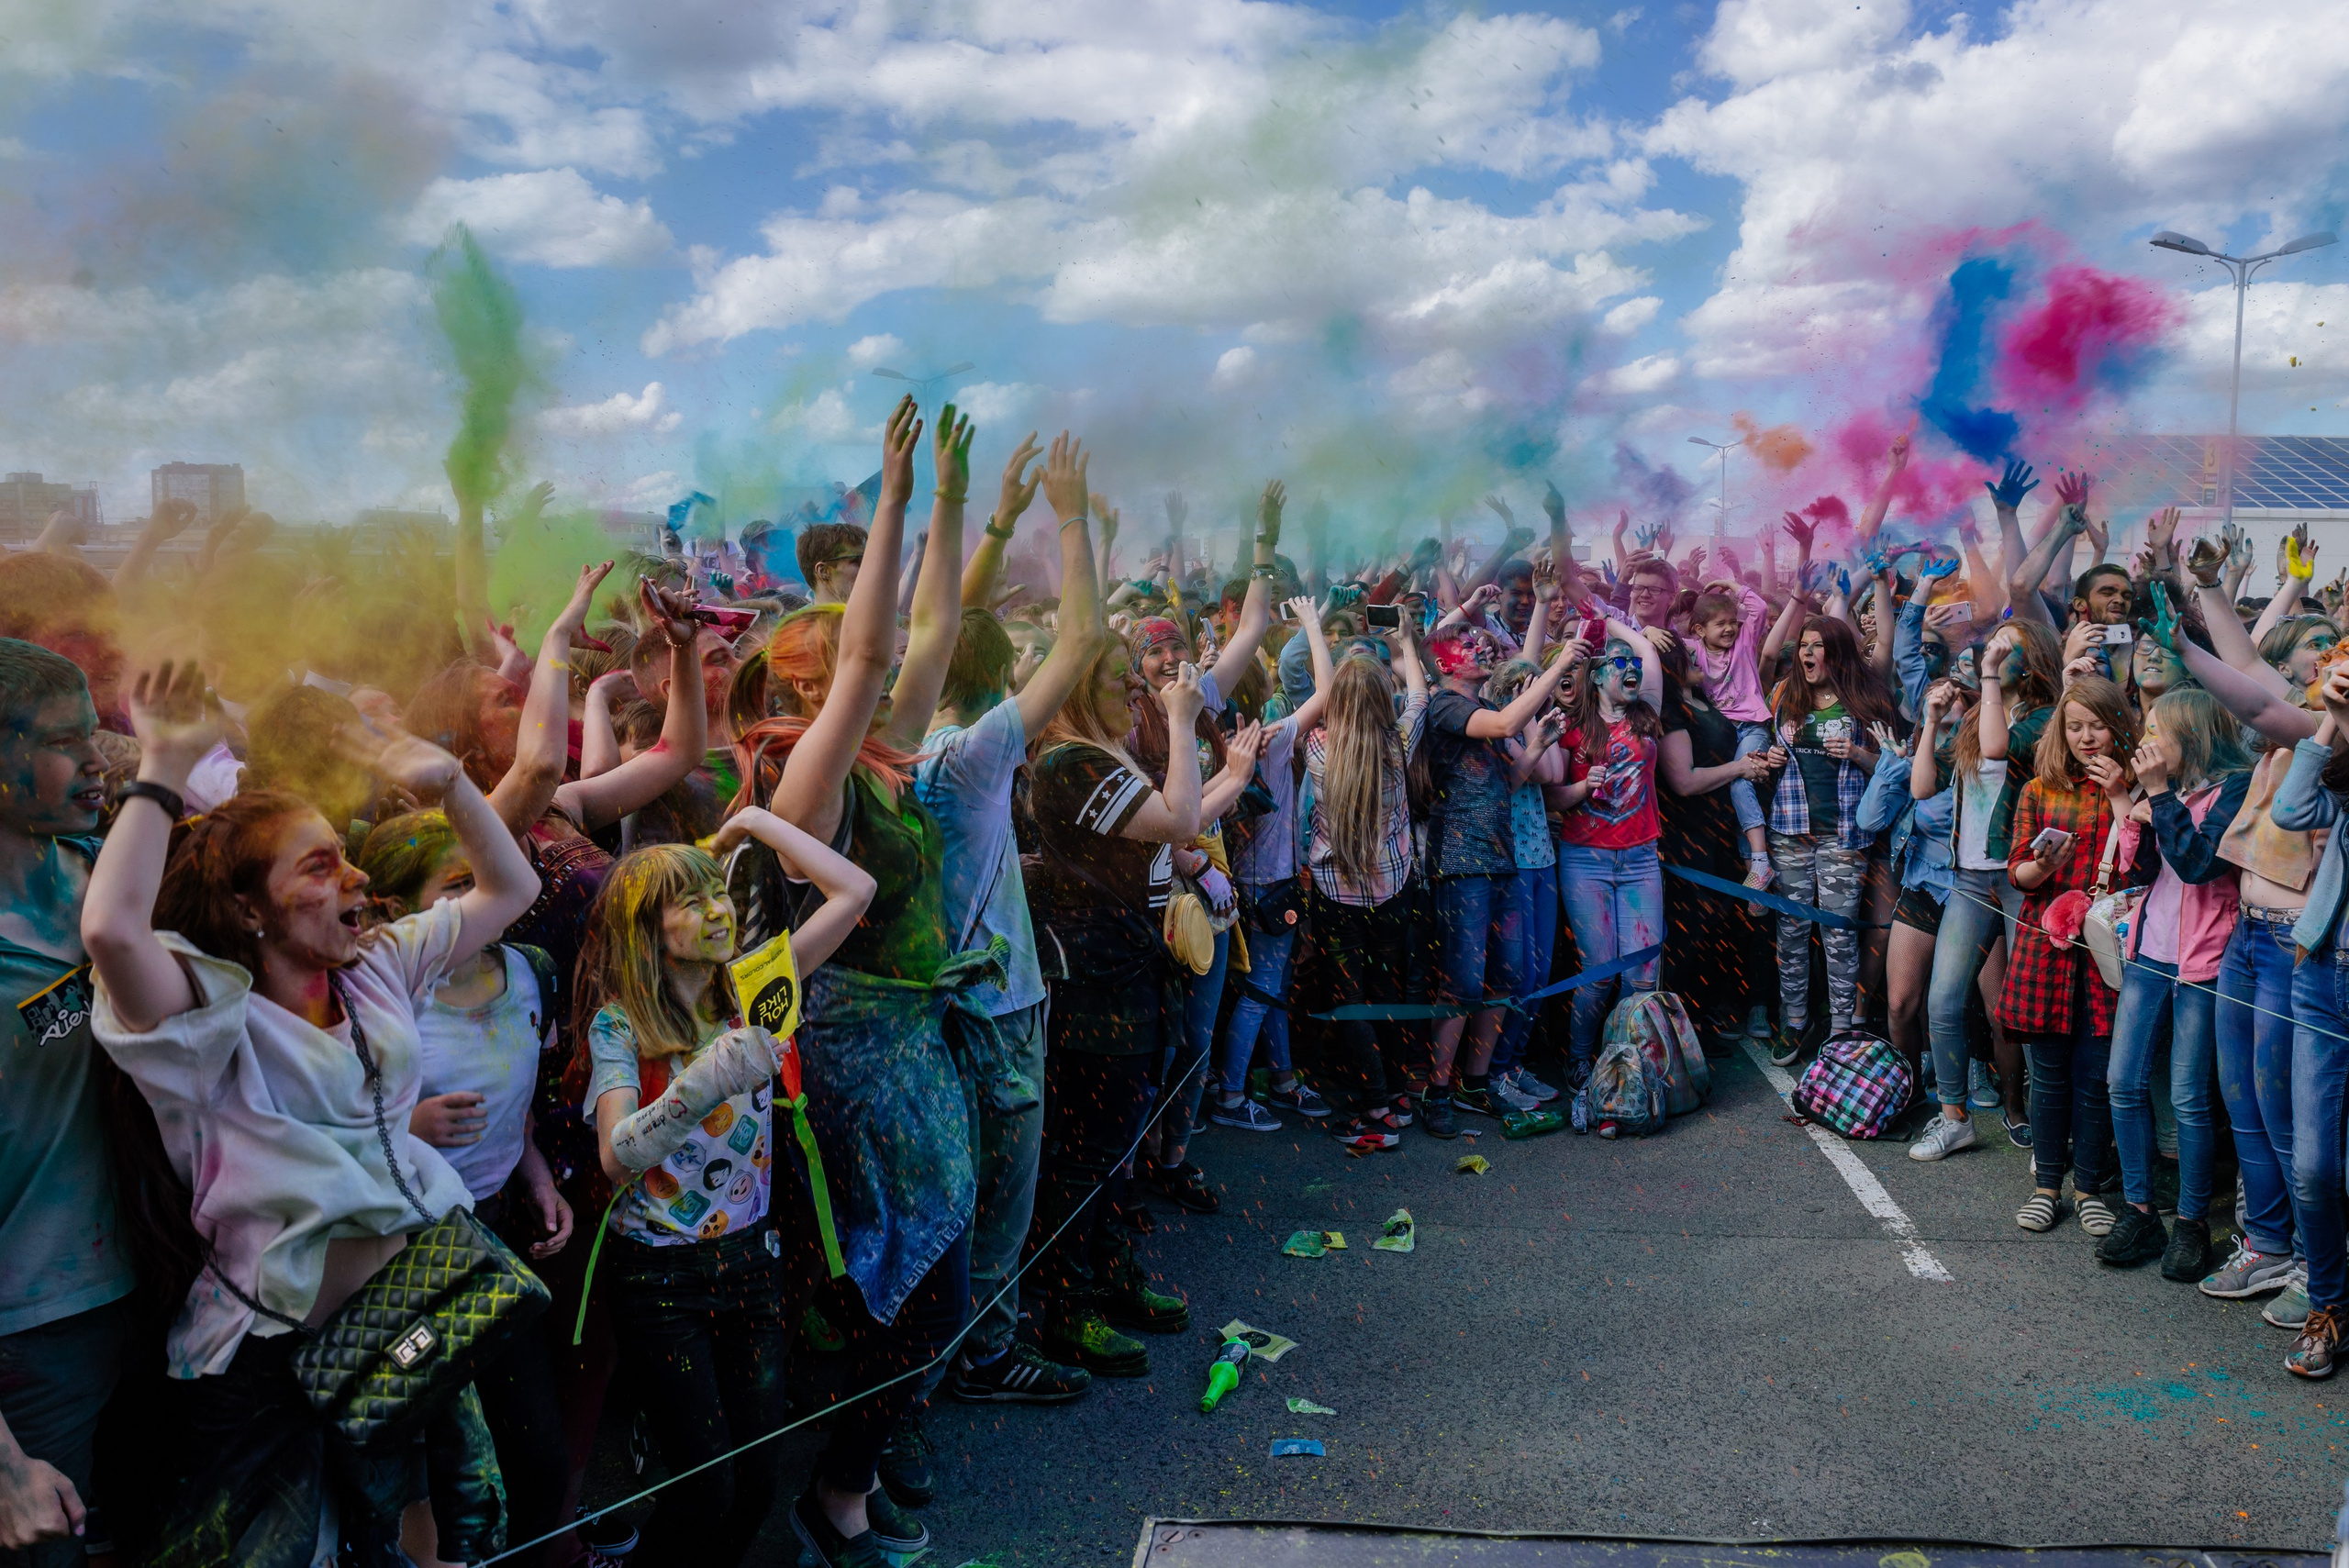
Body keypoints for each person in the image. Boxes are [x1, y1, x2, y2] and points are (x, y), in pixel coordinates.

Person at [83, 660, 540, 1567]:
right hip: (269, 1353)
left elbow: (509, 889)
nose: (357, 877)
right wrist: (162, 766)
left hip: (408, 1316)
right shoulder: (204, 1017)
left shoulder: (376, 966)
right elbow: (112, 932)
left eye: (346, 853)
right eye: (319, 865)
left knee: (439, 1536)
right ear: (247, 906)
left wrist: (449, 783)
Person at [580, 814, 876, 1567]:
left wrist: (754, 821)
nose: (718, 910)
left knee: (757, 1481)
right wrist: (707, 1076)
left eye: (720, 893)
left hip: (751, 1265)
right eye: (692, 900)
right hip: (660, 1280)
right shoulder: (620, 1025)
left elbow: (855, 889)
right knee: (704, 1486)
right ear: (647, 927)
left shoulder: (753, 986)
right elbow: (616, 1157)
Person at [909, 431, 1105, 1410]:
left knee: (945, 1193)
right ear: (996, 675)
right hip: (993, 1006)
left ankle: (926, 1368)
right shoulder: (978, 751)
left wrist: (990, 516)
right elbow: (1081, 640)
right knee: (998, 1201)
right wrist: (1067, 514)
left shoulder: (893, 741)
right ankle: (972, 1362)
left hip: (928, 998)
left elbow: (928, 621)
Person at [354, 811, 578, 1566]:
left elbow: (516, 1107)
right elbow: (318, 1136)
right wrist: (406, 1125)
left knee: (538, 1454)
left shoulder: (530, 973)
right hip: (403, 1253)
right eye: (461, 886)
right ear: (393, 915)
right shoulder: (375, 1000)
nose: (490, 899)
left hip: (496, 1234)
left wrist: (537, 1173)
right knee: (430, 1472)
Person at [1025, 653, 1229, 1373]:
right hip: (1092, 978)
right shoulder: (1068, 762)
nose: (1139, 689)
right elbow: (1182, 819)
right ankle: (1068, 1305)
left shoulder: (1101, 748)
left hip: (1128, 967)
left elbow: (1176, 831)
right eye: (1122, 678)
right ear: (1080, 682)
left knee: (1114, 1141)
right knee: (1086, 1148)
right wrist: (1180, 717)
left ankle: (1109, 1270)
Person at [0, 641, 133, 1568]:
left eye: (95, 731)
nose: (96, 760)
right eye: (60, 741)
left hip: (150, 1294)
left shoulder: (98, 871)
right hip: (30, 1345)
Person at [2097, 687, 2252, 1279]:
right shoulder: (2168, 791)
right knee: (2123, 1082)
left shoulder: (2233, 788)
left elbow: (2196, 864)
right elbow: (2140, 872)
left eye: (2158, 728)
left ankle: (2190, 1224)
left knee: (2188, 1097)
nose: (2147, 740)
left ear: (2193, 733)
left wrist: (2158, 798)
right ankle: (2139, 1211)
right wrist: (2125, 805)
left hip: (2202, 964)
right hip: (2149, 952)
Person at [1998, 676, 2150, 1240]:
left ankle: (2088, 1188)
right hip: (2047, 949)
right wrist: (2042, 865)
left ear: (2119, 726)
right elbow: (2016, 872)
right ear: (2061, 732)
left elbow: (2147, 872)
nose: (2088, 737)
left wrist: (2120, 798)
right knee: (2051, 1076)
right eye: (2076, 726)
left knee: (2096, 1077)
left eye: (2098, 725)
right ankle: (2046, 1187)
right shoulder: (2039, 790)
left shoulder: (2137, 786)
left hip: (2108, 953)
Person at [1416, 622, 1578, 1132]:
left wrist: (1537, 748)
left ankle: (1476, 1083)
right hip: (1461, 862)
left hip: (1501, 860)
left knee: (1507, 974)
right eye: (1468, 645)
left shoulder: (1480, 710)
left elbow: (1505, 782)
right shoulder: (1446, 704)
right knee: (1463, 981)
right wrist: (1558, 667)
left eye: (1483, 641)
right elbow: (1508, 724)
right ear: (1444, 665)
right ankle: (1437, 1090)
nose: (1481, 646)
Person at [1208, 599, 1333, 1130]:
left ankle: (1281, 1080)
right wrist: (1310, 623)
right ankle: (1233, 1098)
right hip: (1271, 885)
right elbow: (1326, 693)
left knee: (1270, 987)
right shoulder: (1271, 739)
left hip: (1240, 883)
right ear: (1262, 694)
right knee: (1260, 994)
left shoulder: (1210, 746)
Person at [1303, 628, 1431, 1146]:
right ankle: (1397, 1095)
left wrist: (1314, 628)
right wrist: (1404, 644)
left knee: (1350, 999)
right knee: (1385, 991)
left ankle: (1374, 1103)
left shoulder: (1316, 747)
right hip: (1393, 890)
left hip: (1336, 894)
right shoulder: (1398, 745)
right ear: (1384, 699)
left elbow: (1320, 693)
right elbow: (1420, 695)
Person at [1758, 614, 1896, 1064]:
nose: (1808, 654)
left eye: (1818, 646)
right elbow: (1761, 750)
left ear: (1837, 653)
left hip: (1844, 834)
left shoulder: (1866, 699)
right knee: (1791, 932)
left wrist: (1859, 754)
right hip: (1790, 830)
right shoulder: (1784, 694)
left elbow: (1896, 769)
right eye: (1804, 646)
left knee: (1838, 937)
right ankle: (1795, 1022)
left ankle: (1841, 1029)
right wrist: (1771, 755)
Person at [2266, 662, 2349, 1379]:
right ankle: (2330, 1306)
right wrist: (2331, 719)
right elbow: (2291, 810)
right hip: (2323, 978)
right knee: (2316, 1167)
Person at [1551, 622, 1666, 1083]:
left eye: (1633, 665)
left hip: (1640, 861)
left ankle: (1623, 1060)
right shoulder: (1571, 726)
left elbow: (1646, 652)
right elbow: (1551, 799)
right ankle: (1579, 1058)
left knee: (1642, 976)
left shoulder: (1647, 715)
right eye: (1618, 664)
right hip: (1586, 862)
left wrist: (1603, 615)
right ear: (1597, 676)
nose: (1631, 668)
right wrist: (1582, 787)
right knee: (1598, 972)